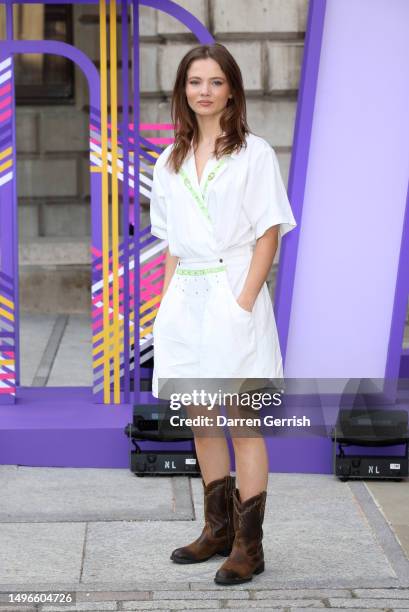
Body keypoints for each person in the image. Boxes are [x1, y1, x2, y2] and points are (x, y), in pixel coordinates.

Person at [149, 43, 297, 585]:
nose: (204, 91)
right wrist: (164, 309)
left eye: (214, 81)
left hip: (233, 287)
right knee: (200, 417)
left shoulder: (253, 152)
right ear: (183, 90)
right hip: (185, 296)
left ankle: (248, 546)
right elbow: (171, 245)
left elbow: (269, 231)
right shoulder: (169, 160)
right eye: (194, 82)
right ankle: (215, 530)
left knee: (242, 421)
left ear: (231, 88)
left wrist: (243, 302)